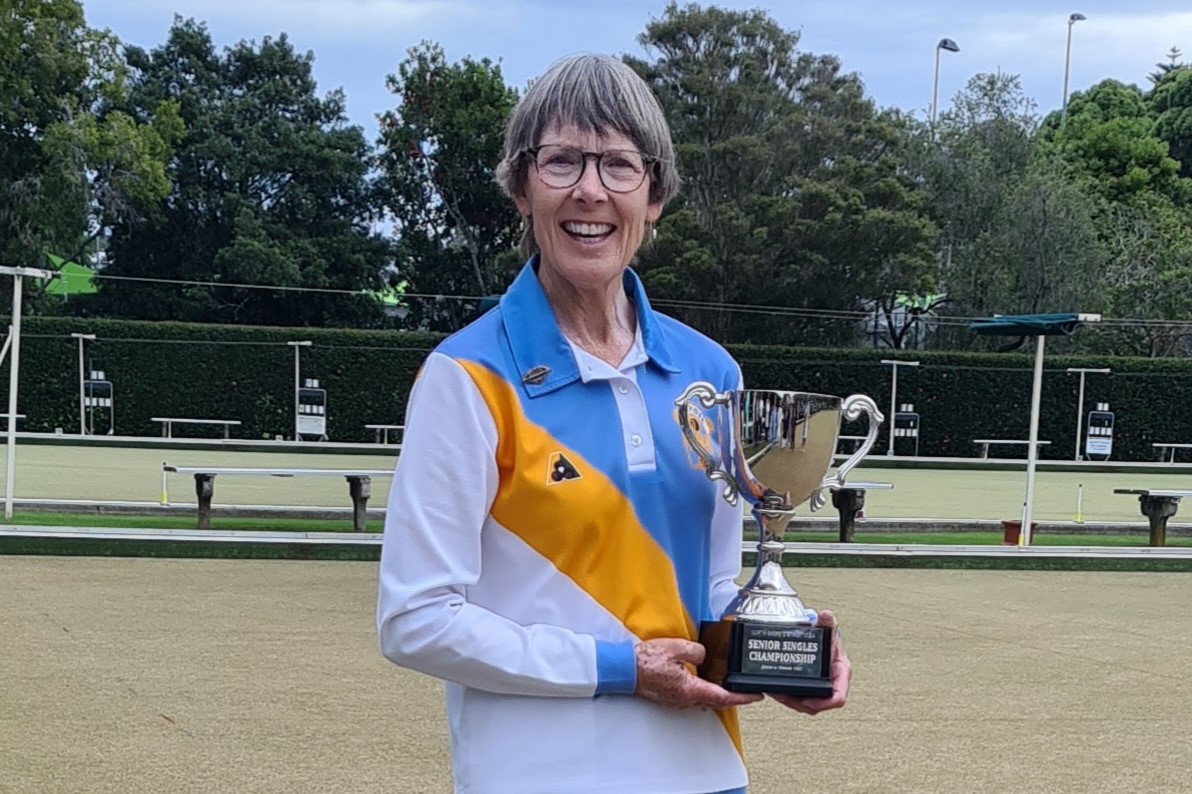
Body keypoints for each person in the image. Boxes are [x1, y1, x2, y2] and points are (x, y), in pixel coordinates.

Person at [376, 52, 851, 794]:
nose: (590, 190)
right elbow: (416, 619)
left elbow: (715, 585)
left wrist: (782, 651)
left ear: (653, 197)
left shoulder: (711, 375)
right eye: (561, 160)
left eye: (619, 165)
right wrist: (621, 669)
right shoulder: (464, 378)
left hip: (704, 773)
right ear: (522, 188)